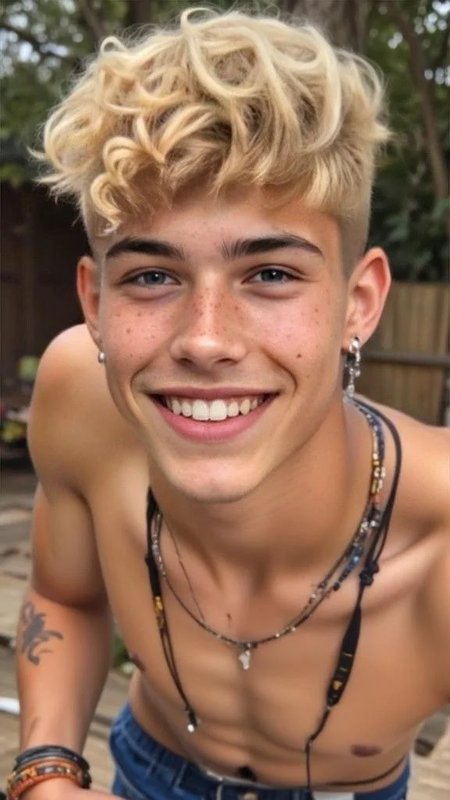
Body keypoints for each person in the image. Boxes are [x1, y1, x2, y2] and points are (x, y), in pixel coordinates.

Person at [7, 7, 449, 800]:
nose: (206, 341)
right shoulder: (81, 399)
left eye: (271, 274)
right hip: (149, 767)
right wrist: (46, 773)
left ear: (359, 302)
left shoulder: (441, 536)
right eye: (152, 276)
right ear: (95, 303)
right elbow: (62, 595)